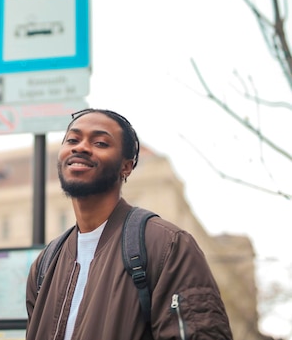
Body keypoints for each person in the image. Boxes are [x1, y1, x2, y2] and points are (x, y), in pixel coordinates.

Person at [25, 108, 233, 340]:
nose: (80, 147)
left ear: (127, 166)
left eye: (101, 143)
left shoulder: (167, 246)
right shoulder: (45, 265)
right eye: (72, 140)